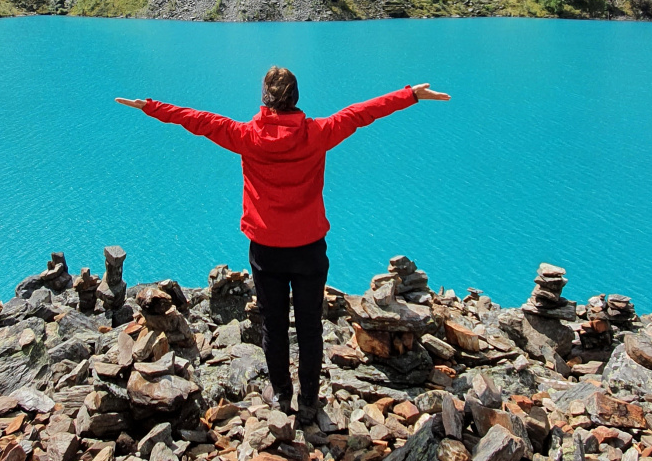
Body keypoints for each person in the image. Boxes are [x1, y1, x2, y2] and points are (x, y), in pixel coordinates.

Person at [116, 67, 449, 427]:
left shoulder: (246, 136)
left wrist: (150, 106)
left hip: (266, 250)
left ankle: (281, 395)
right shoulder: (318, 134)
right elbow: (361, 113)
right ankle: (308, 402)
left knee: (273, 326)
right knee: (309, 326)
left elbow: (198, 121)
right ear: (296, 98)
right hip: (308, 249)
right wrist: (410, 94)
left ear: (265, 98)